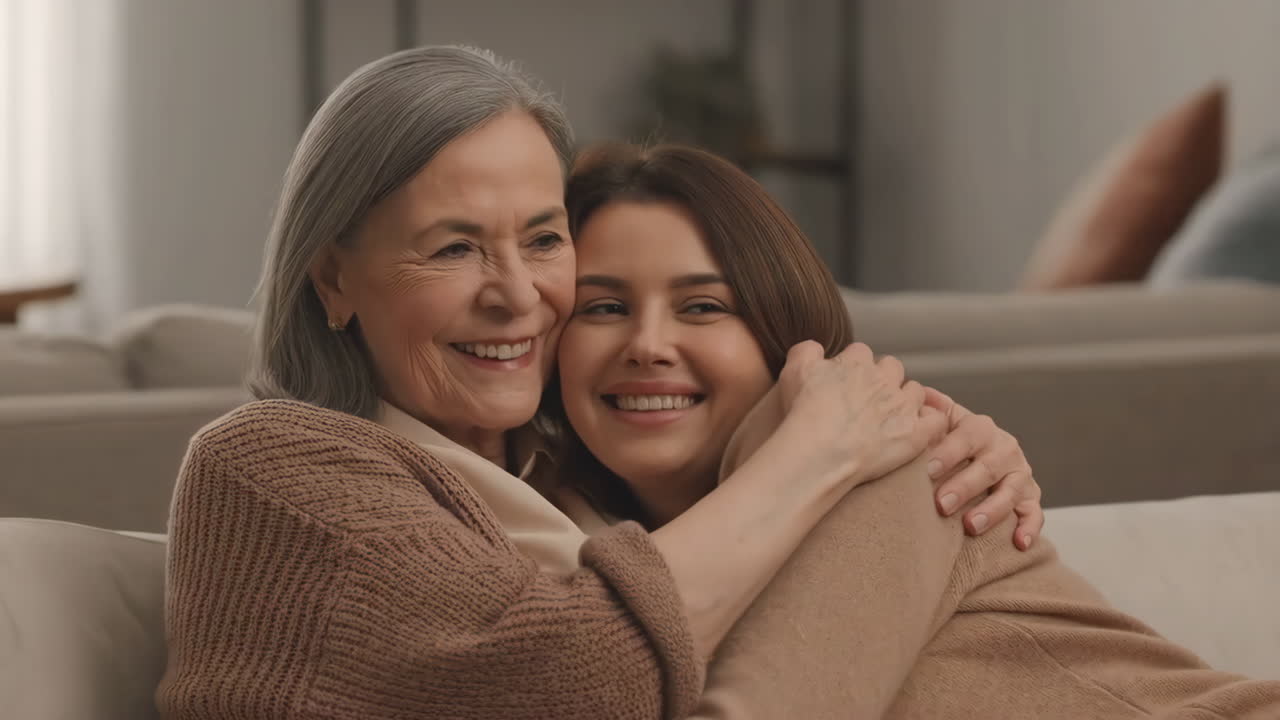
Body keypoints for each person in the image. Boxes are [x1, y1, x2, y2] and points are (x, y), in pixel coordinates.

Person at [157, 46, 1044, 719]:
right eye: (455, 247)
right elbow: (566, 678)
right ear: (333, 279)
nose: (518, 295)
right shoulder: (269, 468)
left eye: (544, 240)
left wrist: (924, 441)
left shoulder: (573, 482)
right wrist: (820, 452)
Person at [545, 141, 1280, 718]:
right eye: (602, 308)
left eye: (703, 307)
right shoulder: (565, 526)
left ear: (778, 332)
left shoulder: (888, 463)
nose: (646, 344)